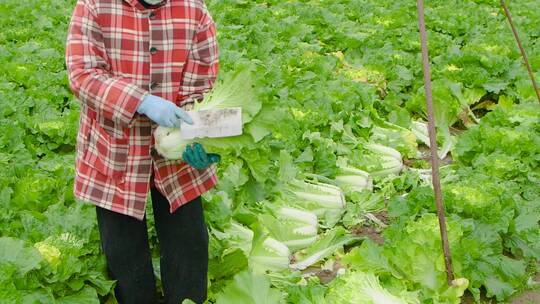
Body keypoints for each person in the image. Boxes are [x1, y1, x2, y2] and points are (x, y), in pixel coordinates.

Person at [65, 0, 220, 303]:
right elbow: (83, 75)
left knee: (188, 244)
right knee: (124, 252)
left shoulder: (194, 11)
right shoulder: (95, 6)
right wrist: (143, 102)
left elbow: (200, 87)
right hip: (114, 151)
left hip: (176, 159)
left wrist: (195, 135)